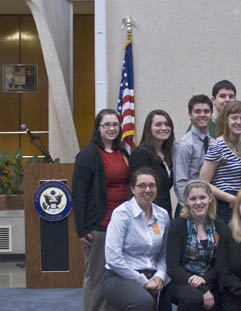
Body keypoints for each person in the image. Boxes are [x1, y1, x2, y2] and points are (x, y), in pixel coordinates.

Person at [73, 108, 130, 311]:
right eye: (107, 124)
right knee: (97, 277)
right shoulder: (88, 155)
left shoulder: (121, 151)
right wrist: (81, 230)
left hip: (122, 224)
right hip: (99, 226)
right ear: (98, 128)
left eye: (115, 124)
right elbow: (78, 195)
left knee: (117, 277)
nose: (112, 128)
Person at [102, 167, 171, 311]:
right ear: (133, 189)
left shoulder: (162, 215)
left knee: (179, 294)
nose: (147, 190)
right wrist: (142, 281)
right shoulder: (122, 214)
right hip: (120, 276)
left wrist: (159, 276)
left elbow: (165, 254)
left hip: (153, 274)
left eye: (152, 185)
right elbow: (113, 258)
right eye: (142, 185)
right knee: (143, 302)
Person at [166, 180, 224, 310]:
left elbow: (222, 263)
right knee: (193, 298)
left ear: (210, 198)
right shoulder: (178, 226)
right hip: (183, 281)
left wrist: (204, 281)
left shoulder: (219, 225)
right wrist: (201, 287)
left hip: (210, 279)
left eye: (202, 197)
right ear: (186, 201)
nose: (198, 202)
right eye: (193, 199)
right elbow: (172, 267)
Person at [200, 101, 241, 223]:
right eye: (234, 118)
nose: (239, 122)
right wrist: (230, 198)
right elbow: (203, 181)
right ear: (226, 120)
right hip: (224, 204)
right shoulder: (217, 145)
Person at [173, 95, 215, 218]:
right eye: (197, 111)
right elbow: (180, 182)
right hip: (189, 210)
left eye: (206, 111)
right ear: (190, 115)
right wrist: (189, 210)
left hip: (208, 207)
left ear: (211, 114)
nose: (202, 114)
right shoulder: (185, 144)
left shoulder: (213, 142)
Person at [130, 109, 175, 217]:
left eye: (167, 124)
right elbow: (139, 189)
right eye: (158, 125)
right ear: (149, 128)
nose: (163, 128)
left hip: (164, 213)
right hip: (146, 215)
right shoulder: (141, 154)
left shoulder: (168, 153)